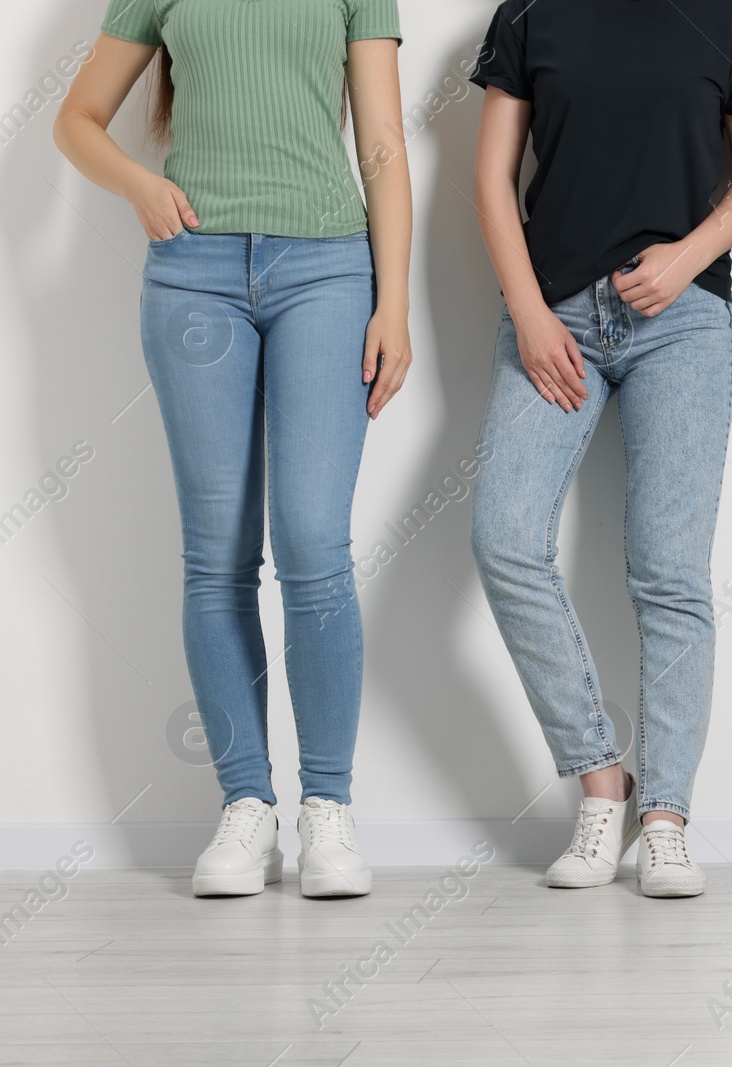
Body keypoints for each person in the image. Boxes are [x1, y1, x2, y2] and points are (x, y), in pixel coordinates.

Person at [55, 0, 413, 897]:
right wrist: (141, 185)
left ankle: (327, 808)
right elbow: (75, 120)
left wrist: (395, 303)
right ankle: (246, 804)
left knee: (312, 544)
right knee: (216, 556)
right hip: (192, 273)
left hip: (328, 270)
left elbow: (381, 144)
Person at [467, 0, 732, 898]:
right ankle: (604, 782)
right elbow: (491, 179)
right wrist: (527, 313)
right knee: (504, 538)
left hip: (681, 321)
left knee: (669, 570)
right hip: (553, 313)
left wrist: (687, 258)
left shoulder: (727, 16)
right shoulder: (529, 12)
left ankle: (668, 816)